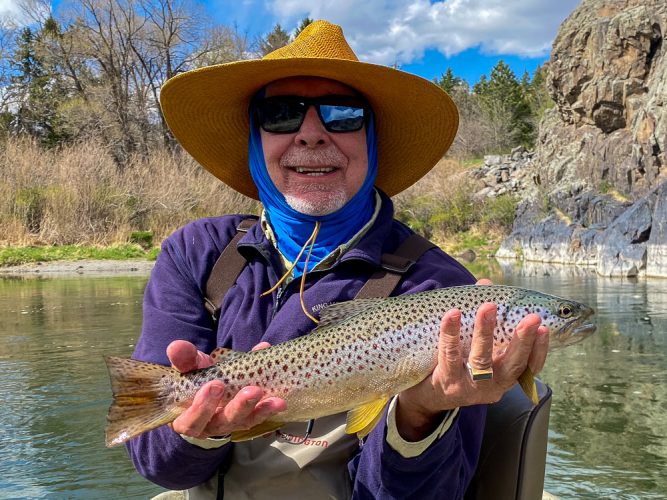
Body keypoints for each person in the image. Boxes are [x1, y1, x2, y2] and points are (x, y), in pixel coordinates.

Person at [127, 20, 549, 499]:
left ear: (371, 139)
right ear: (254, 140)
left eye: (342, 114)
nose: (311, 134)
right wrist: (200, 427)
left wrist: (419, 412)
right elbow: (161, 467)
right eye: (281, 113)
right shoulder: (198, 253)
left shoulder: (439, 291)